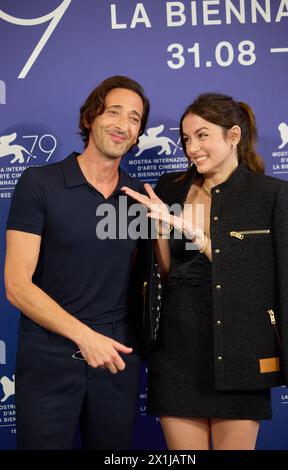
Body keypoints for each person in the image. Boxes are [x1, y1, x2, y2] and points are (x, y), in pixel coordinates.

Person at [121, 93, 288, 450]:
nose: (192, 148)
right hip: (178, 352)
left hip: (241, 354)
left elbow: (278, 280)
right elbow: (166, 275)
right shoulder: (170, 187)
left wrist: (199, 237)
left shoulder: (271, 194)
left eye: (202, 136)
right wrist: (159, 230)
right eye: (186, 138)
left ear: (233, 136)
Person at [4, 76, 150, 450]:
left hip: (116, 359)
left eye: (134, 118)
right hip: (48, 357)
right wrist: (85, 337)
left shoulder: (137, 198)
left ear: (138, 134)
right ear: (89, 118)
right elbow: (17, 285)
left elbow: (149, 276)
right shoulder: (40, 183)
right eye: (113, 111)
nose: (123, 124)